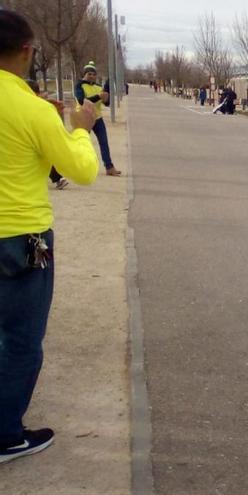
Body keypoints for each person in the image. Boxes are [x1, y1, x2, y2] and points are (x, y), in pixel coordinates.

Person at [0, 10, 100, 465]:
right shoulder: (31, 109)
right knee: (20, 339)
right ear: (26, 51)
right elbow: (81, 171)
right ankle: (6, 435)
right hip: (20, 240)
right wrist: (79, 129)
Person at [74, 61, 121, 176]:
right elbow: (81, 100)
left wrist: (106, 99)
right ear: (84, 74)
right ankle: (77, 166)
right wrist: (98, 97)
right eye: (89, 74)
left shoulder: (99, 87)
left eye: (94, 74)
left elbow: (106, 103)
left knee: (104, 142)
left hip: (97, 118)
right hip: (84, 118)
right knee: (82, 143)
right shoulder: (79, 85)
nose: (92, 76)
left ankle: (109, 167)